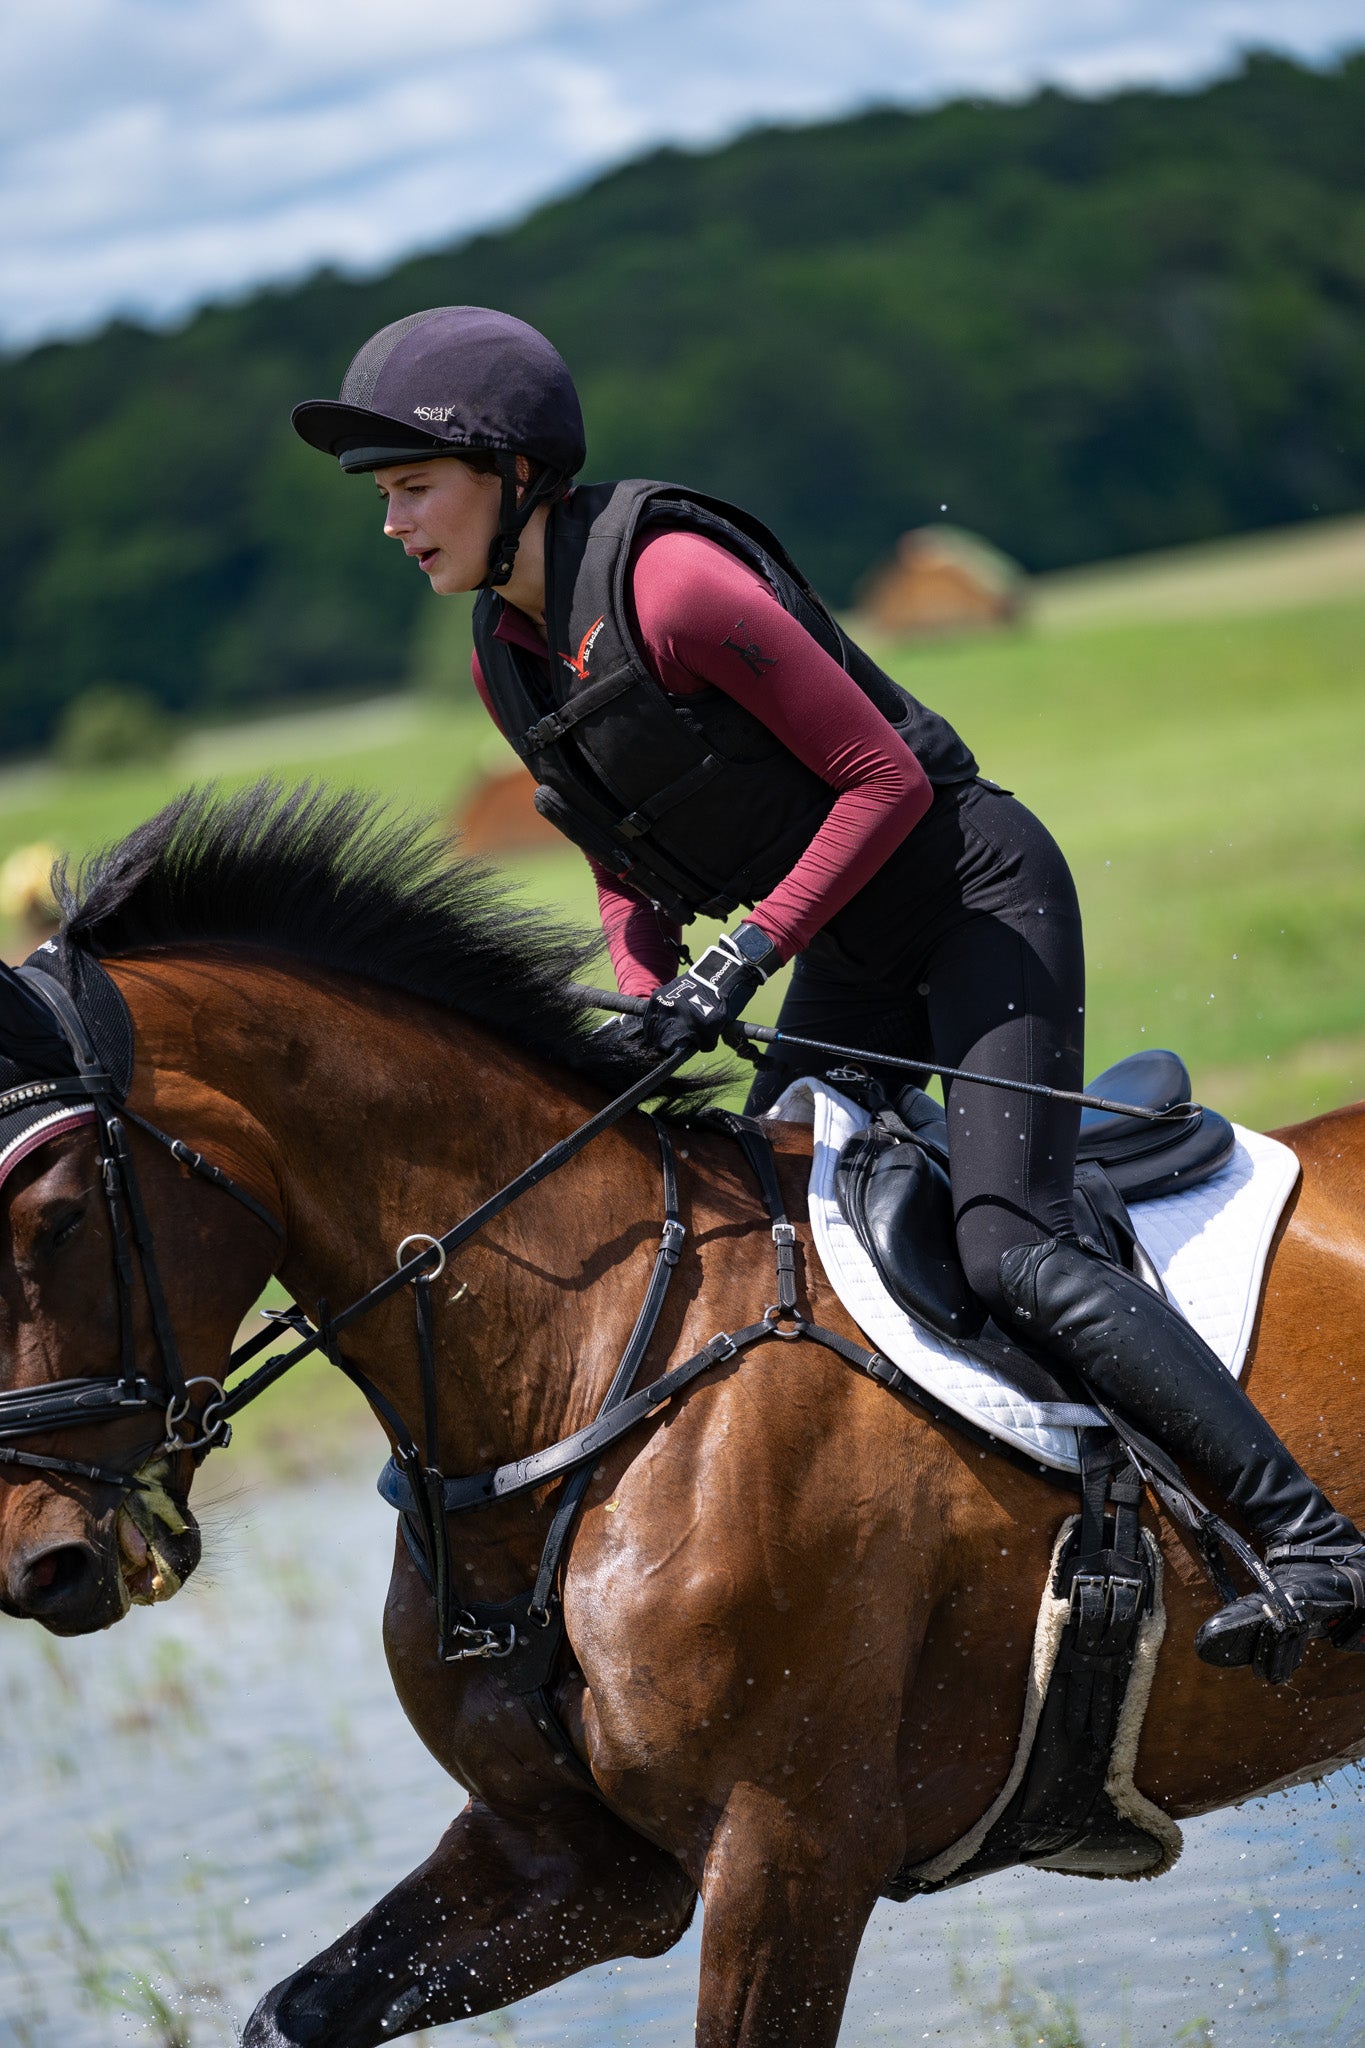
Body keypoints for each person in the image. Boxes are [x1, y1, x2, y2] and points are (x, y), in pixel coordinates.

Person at [293, 304, 1365, 1681]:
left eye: (410, 490)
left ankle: (1309, 1539)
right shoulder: (504, 654)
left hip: (973, 902)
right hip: (851, 950)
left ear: (513, 475)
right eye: (382, 499)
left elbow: (886, 781)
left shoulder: (673, 583)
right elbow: (624, 868)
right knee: (759, 1233)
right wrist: (645, 987)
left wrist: (745, 958)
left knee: (1007, 1249)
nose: (392, 525)